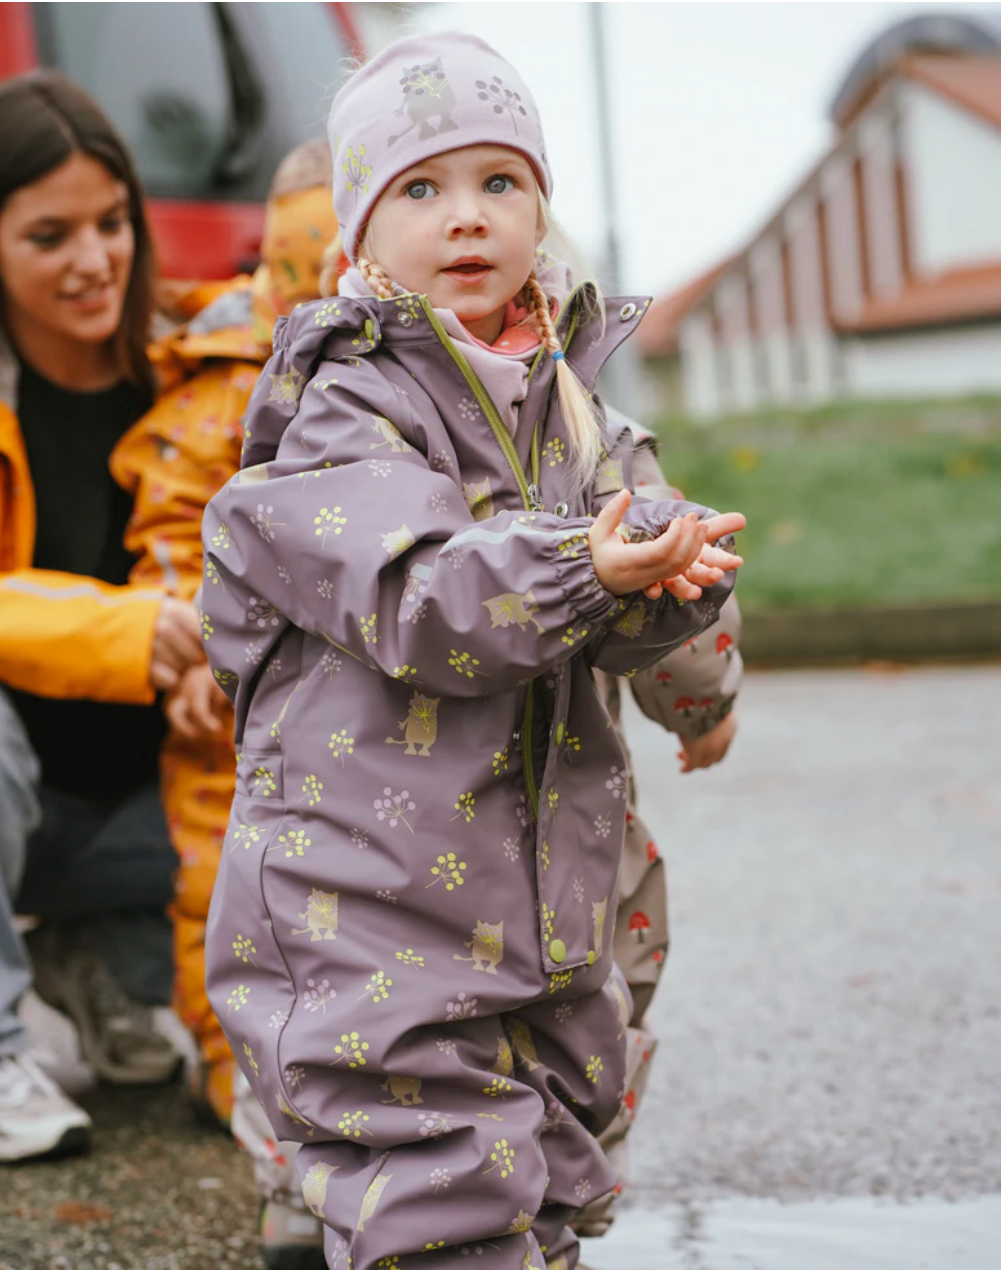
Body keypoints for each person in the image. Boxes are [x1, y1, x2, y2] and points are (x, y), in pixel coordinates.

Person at [200, 32, 744, 1270]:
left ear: (543, 211)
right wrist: (589, 567)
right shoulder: (345, 406)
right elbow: (422, 594)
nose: (468, 218)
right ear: (358, 235)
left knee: (551, 1156)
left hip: (543, 891)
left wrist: (684, 623)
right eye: (422, 188)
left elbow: (641, 545)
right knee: (435, 1180)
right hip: (375, 891)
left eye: (502, 183)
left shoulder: (580, 403)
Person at [110, 139, 342, 1135]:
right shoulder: (218, 389)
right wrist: (196, 648)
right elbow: (170, 530)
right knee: (221, 879)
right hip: (235, 712)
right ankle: (236, 1064)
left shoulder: (440, 376)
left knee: (367, 898)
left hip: (372, 704)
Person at [0, 72, 194, 1162]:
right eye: (49, 234)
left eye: (113, 223)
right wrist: (123, 630)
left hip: (149, 802)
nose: (94, 260)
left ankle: (105, 957)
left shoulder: (201, 368)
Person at [572, 417, 743, 1238]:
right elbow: (672, 562)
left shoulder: (318, 395)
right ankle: (565, 1206)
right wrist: (701, 706)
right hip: (560, 791)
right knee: (594, 981)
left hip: (364, 806)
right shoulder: (576, 413)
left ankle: (305, 1196)